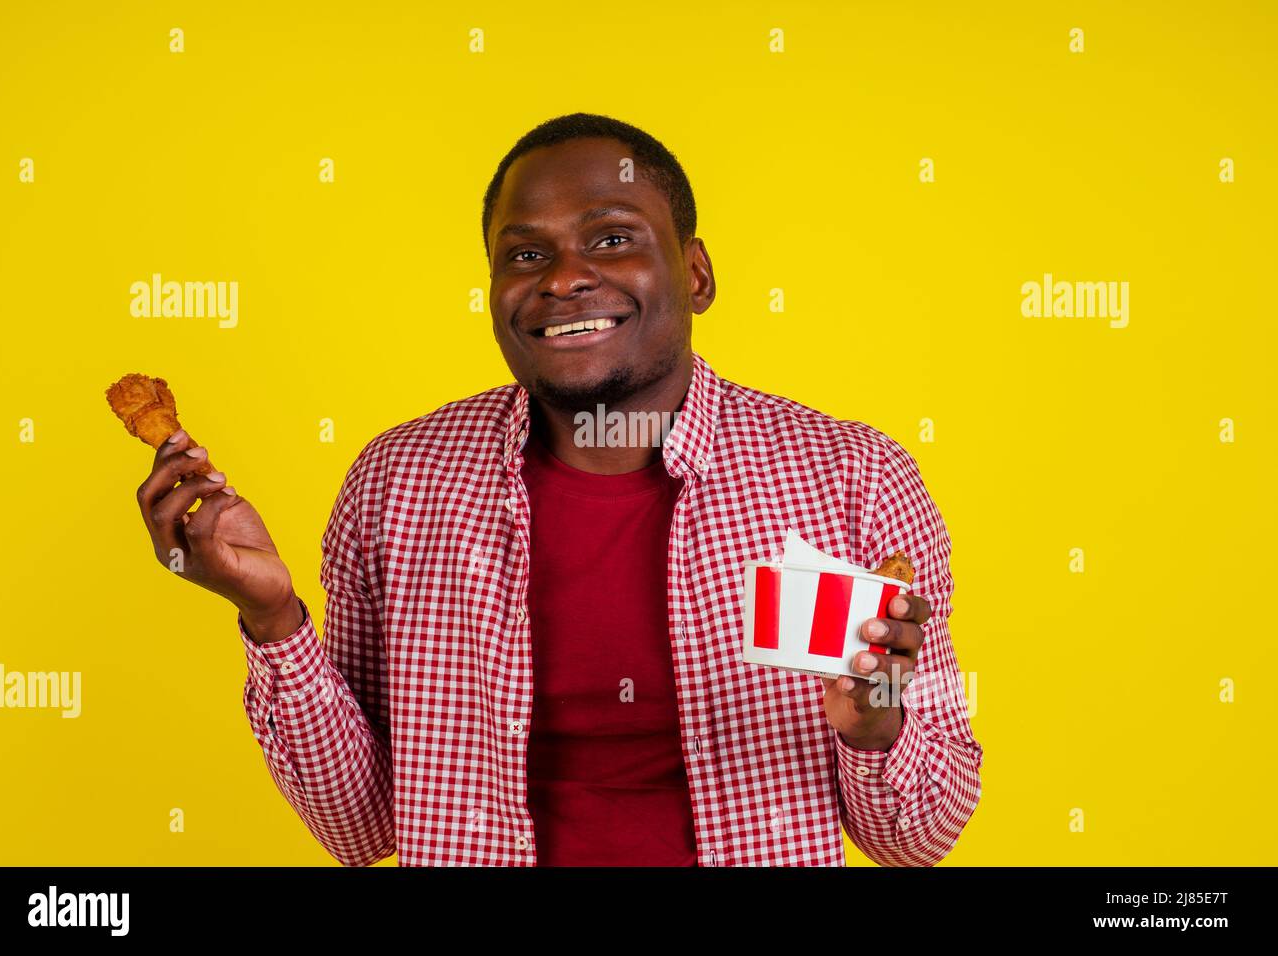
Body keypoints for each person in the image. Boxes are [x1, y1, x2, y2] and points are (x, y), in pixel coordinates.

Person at [134, 112, 982, 866]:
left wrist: (878, 730)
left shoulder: (851, 481)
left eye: (612, 238)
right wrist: (273, 620)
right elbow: (362, 830)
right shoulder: (399, 484)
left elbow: (922, 839)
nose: (564, 277)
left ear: (695, 274)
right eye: (526, 254)